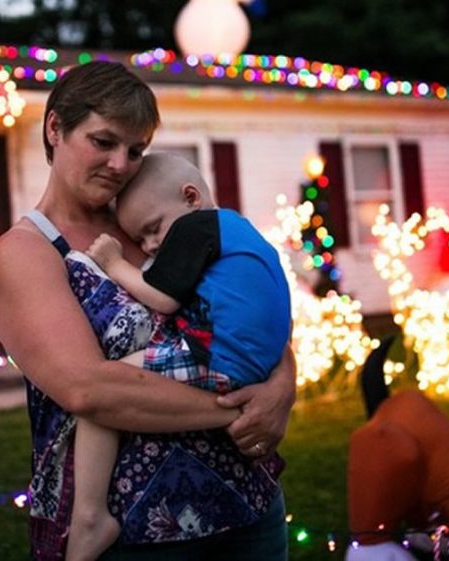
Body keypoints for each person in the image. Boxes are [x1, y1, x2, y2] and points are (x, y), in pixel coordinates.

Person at [0, 60, 297, 561]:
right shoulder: (28, 251)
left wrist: (283, 385)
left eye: (135, 150)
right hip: (134, 532)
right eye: (103, 141)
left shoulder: (157, 223)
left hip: (248, 507)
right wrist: (241, 410)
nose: (120, 164)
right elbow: (89, 389)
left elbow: (249, 309)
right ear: (55, 128)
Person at [65, 152, 293, 560]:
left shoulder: (197, 225)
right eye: (141, 240)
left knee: (107, 390)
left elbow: (164, 299)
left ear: (190, 197)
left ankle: (90, 517)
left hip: (221, 359)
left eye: (153, 230)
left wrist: (115, 262)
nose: (152, 245)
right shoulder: (237, 229)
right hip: (252, 363)